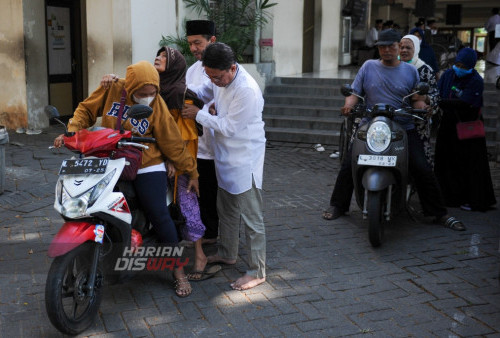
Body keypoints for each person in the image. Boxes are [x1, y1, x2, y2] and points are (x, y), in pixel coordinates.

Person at [54, 60, 199, 297]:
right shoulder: (111, 88)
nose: (148, 97)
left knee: (158, 213)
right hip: (108, 159)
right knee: (86, 204)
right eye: (143, 93)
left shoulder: (157, 104)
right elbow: (86, 110)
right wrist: (73, 130)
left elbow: (172, 141)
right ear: (130, 86)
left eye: (153, 93)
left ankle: (178, 270)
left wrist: (191, 171)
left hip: (146, 162)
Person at [321, 29, 465, 231]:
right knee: (349, 162)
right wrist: (348, 105)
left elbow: (417, 99)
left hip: (403, 127)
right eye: (382, 46)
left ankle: (439, 213)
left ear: (398, 46)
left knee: (422, 167)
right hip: (371, 126)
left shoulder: (410, 71)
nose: (386, 50)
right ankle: (338, 205)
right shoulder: (368, 66)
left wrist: (425, 108)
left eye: (391, 46)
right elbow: (354, 93)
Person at [182, 42, 267, 290]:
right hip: (225, 157)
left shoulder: (246, 90)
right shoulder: (218, 77)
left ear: (232, 68)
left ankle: (257, 270)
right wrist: (183, 90)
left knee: (252, 218)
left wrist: (197, 114)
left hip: (245, 160)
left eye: (217, 77)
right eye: (210, 75)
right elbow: (204, 90)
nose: (214, 81)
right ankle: (228, 253)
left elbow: (229, 127)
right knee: (226, 208)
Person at [434, 47, 496, 212]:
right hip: (448, 125)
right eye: (458, 64)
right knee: (446, 161)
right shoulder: (448, 75)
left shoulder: (476, 80)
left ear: (471, 66)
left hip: (467, 127)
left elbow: (465, 102)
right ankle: (448, 197)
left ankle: (470, 199)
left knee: (468, 164)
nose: (460, 68)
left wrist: (440, 102)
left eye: (464, 66)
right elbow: (438, 92)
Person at [185, 20, 220, 248]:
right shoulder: (192, 70)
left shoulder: (225, 67)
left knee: (217, 192)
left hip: (218, 143)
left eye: (198, 43)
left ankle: (217, 233)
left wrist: (212, 106)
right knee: (202, 190)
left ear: (212, 40)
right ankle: (206, 231)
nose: (194, 48)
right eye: (190, 44)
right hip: (196, 141)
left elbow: (223, 99)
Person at [400, 34, 439, 166]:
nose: (404, 50)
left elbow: (436, 96)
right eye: (401, 47)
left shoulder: (425, 70)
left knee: (420, 163)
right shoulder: (392, 66)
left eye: (408, 48)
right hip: (395, 119)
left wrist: (425, 99)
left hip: (418, 122)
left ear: (416, 49)